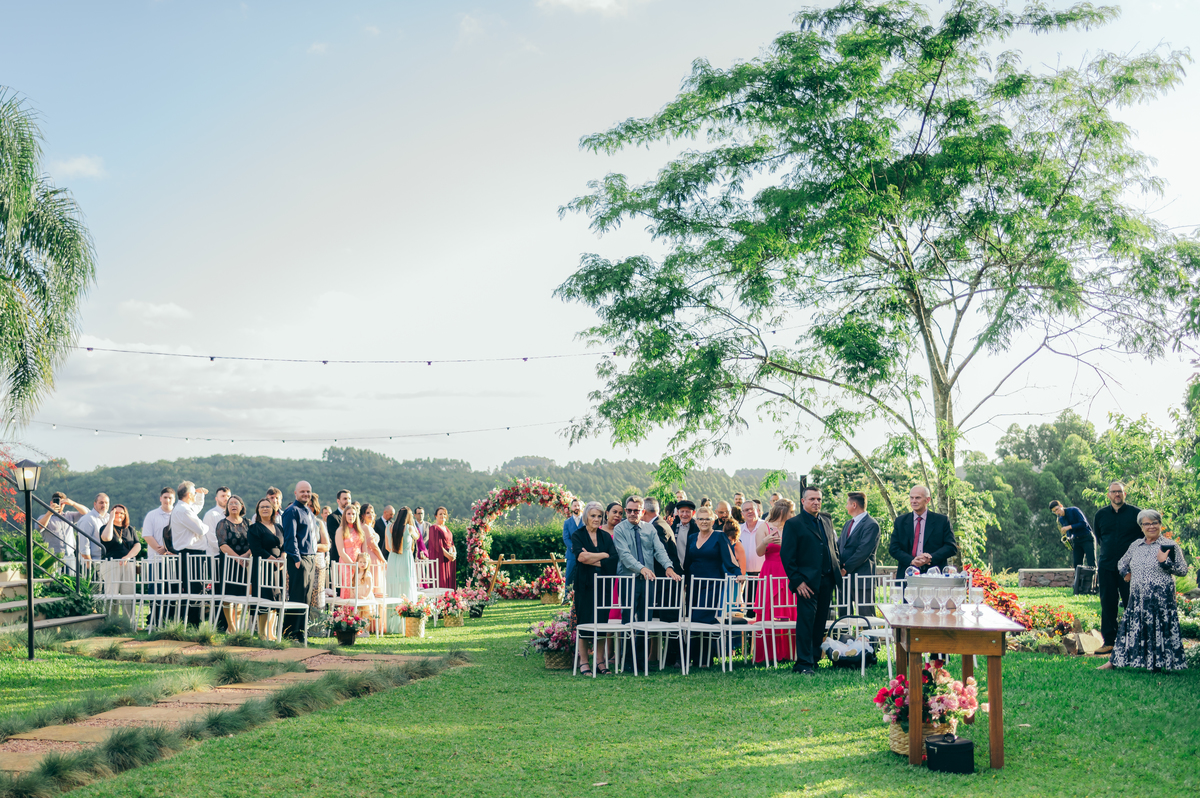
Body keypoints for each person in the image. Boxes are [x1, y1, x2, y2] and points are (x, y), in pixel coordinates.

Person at [1100, 510, 1188, 671]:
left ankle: (1157, 664)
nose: (1151, 527)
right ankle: (1113, 662)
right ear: (1141, 527)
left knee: (1158, 630)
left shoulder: (1169, 545)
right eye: (1147, 524)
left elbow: (1183, 570)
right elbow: (1121, 562)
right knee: (1128, 630)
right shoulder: (1136, 545)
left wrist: (1165, 563)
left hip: (1161, 600)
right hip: (1137, 598)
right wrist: (1126, 573)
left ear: (1160, 525)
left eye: (1155, 523)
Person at [780, 486, 840, 675]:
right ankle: (803, 663)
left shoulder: (826, 519)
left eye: (819, 499)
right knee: (806, 623)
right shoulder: (793, 524)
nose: (816, 502)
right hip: (806, 582)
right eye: (812, 499)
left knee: (820, 622)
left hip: (827, 580)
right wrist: (797, 581)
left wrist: (838, 565)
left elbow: (832, 546)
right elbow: (787, 556)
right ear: (803, 501)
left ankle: (814, 659)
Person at [1093, 482, 1143, 655]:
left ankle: (1133, 642)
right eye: (1113, 492)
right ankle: (1109, 642)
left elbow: (1143, 539)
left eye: (1119, 492)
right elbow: (1099, 537)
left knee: (1131, 603)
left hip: (1130, 568)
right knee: (1107, 603)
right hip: (1106, 565)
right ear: (1108, 495)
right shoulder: (1101, 515)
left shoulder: (1136, 514)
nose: (1117, 494)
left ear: (1125, 494)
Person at [571, 501, 618, 675]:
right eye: (593, 516)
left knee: (602, 624)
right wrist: (603, 556)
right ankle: (584, 662)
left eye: (599, 516)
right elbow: (581, 558)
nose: (596, 519)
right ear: (586, 517)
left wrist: (593, 557)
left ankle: (600, 661)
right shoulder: (578, 535)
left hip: (604, 586)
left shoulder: (605, 536)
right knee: (584, 623)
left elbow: (613, 559)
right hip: (584, 585)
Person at [755, 499, 795, 665]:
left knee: (788, 610)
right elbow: (759, 552)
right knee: (769, 609)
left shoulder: (792, 527)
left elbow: (799, 551)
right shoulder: (764, 527)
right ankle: (768, 653)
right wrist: (765, 542)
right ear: (783, 512)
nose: (793, 514)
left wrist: (785, 544)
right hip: (770, 570)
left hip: (788, 571)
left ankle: (788, 652)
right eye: (791, 511)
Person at [280, 481, 319, 642]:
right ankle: (289, 632)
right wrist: (296, 559)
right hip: (299, 558)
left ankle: (301, 632)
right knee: (297, 596)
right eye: (302, 491)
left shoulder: (308, 512)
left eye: (308, 491)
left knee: (306, 597)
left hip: (310, 558)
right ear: (295, 493)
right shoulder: (292, 511)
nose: (306, 494)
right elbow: (290, 537)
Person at [888, 485, 958, 574]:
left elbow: (951, 547)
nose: (913, 501)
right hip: (907, 572)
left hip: (934, 573)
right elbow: (893, 548)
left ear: (927, 500)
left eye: (917, 498)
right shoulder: (900, 521)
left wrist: (930, 558)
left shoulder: (942, 521)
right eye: (911, 498)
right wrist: (911, 560)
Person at [171, 482, 212, 626]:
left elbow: (196, 508)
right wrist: (207, 526)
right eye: (194, 493)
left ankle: (191, 622)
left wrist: (200, 495)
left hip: (191, 554)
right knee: (195, 589)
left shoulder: (184, 508)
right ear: (189, 495)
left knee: (194, 588)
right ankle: (193, 624)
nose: (195, 495)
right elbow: (201, 529)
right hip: (191, 555)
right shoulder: (183, 510)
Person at [248, 497, 285, 641]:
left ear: (273, 510)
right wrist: (272, 559)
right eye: (262, 507)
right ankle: (262, 633)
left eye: (267, 506)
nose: (265, 509)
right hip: (262, 567)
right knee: (263, 598)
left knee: (275, 598)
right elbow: (256, 549)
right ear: (257, 510)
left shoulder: (279, 527)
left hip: (278, 568)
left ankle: (271, 633)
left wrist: (282, 557)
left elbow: (284, 546)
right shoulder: (254, 528)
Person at [837, 491, 881, 614]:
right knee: (844, 616)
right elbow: (839, 546)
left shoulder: (871, 525)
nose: (846, 506)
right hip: (844, 579)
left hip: (862, 579)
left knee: (866, 615)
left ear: (854, 505)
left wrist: (846, 569)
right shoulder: (847, 524)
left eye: (847, 504)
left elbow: (863, 552)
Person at [215, 495, 251, 632]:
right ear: (227, 507)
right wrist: (237, 558)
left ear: (242, 506)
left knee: (241, 595)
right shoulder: (222, 523)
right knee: (228, 595)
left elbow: (254, 542)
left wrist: (245, 556)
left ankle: (237, 624)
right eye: (230, 503)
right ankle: (230, 626)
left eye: (236, 503)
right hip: (228, 563)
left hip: (245, 563)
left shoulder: (248, 523)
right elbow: (222, 544)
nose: (233, 505)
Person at [140, 487, 176, 623]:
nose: (167, 500)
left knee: (172, 590)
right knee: (155, 590)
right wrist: (160, 549)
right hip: (156, 560)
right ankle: (154, 620)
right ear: (160, 498)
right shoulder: (152, 515)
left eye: (170, 498)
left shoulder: (178, 514)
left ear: (174, 499)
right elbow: (147, 535)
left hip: (174, 560)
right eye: (165, 497)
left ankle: (170, 620)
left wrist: (172, 551)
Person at [335, 504, 385, 598]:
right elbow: (341, 552)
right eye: (349, 514)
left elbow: (365, 551)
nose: (351, 516)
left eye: (353, 514)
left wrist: (364, 565)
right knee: (349, 588)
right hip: (347, 563)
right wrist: (353, 566)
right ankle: (347, 608)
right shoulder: (340, 530)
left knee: (362, 588)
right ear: (345, 515)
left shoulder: (360, 531)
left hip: (361, 563)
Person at [99, 504, 140, 618]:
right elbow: (106, 538)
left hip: (128, 564)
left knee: (129, 594)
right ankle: (112, 620)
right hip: (111, 564)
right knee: (111, 593)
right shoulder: (105, 528)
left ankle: (128, 622)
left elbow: (137, 545)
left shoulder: (130, 529)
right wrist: (111, 520)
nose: (119, 515)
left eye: (122, 513)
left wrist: (128, 557)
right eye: (116, 513)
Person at [385, 506, 422, 634]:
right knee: (407, 588)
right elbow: (417, 537)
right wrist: (413, 524)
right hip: (405, 559)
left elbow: (388, 547)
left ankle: (393, 625)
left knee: (393, 590)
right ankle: (407, 623)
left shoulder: (389, 527)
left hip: (393, 559)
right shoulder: (409, 528)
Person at [37, 492, 81, 572]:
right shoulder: (44, 517)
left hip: (69, 555)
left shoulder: (69, 515)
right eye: (57, 502)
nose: (59, 505)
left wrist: (73, 503)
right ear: (51, 503)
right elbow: (39, 527)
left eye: (62, 503)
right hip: (53, 556)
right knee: (54, 578)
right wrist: (49, 513)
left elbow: (86, 513)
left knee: (71, 578)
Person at [1050, 500, 1096, 568]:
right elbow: (1070, 531)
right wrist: (1068, 537)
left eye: (1057, 509)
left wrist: (1068, 527)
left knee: (1091, 563)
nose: (1057, 513)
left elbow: (1084, 523)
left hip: (1087, 538)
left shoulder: (1074, 510)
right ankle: (1078, 575)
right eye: (1054, 511)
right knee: (1077, 565)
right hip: (1076, 540)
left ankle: (1094, 575)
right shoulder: (1061, 519)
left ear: (1061, 506)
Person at [358, 504, 387, 601]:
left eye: (372, 512)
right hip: (372, 557)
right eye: (367, 513)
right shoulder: (365, 527)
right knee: (375, 586)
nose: (370, 515)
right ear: (362, 515)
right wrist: (383, 559)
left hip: (373, 556)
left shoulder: (369, 527)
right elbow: (374, 547)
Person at [309, 492, 332, 610]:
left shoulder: (319, 523)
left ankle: (316, 621)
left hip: (317, 563)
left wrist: (310, 546)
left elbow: (326, 546)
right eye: (306, 505)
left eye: (311, 505)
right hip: (300, 562)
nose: (308, 508)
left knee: (316, 596)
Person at [427, 507, 457, 589]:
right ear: (436, 516)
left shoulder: (446, 528)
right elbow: (438, 546)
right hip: (440, 559)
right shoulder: (434, 528)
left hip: (449, 558)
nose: (442, 516)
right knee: (442, 581)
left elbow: (452, 543)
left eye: (444, 514)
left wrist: (454, 554)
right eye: (440, 514)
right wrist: (449, 556)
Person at [562, 499, 585, 603]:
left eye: (578, 505)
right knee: (569, 576)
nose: (577, 507)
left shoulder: (586, 521)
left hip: (584, 553)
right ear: (571, 508)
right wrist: (574, 549)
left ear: (581, 507)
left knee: (583, 575)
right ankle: (567, 598)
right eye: (575, 505)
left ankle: (583, 598)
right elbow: (566, 538)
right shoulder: (567, 522)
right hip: (571, 555)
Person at [202, 487, 230, 557]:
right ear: (216, 499)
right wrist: (229, 550)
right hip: (215, 556)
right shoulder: (210, 515)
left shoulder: (232, 516)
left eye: (228, 496)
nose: (226, 498)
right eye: (223, 496)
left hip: (232, 556)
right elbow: (211, 538)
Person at [671, 499, 699, 569]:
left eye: (688, 512)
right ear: (678, 512)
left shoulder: (697, 528)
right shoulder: (673, 526)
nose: (684, 514)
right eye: (682, 511)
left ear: (693, 513)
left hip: (691, 568)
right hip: (675, 567)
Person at [327, 489, 351, 568]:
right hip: (338, 558)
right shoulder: (332, 517)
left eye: (349, 498)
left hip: (353, 556)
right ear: (338, 501)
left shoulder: (354, 518)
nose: (348, 501)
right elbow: (334, 538)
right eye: (345, 499)